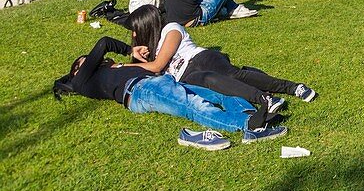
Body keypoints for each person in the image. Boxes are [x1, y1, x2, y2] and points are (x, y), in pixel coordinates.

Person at [53, 35, 286, 149]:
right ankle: (248, 127)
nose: (97, 60)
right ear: (76, 70)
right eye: (87, 60)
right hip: (142, 91)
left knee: (218, 91)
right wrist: (128, 49)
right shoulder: (82, 81)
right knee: (193, 105)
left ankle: (250, 114)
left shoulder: (111, 69)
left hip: (158, 81)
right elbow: (104, 42)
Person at [128, 5, 315, 120]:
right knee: (214, 83)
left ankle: (292, 87)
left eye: (136, 30)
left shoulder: (171, 29)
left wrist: (123, 66)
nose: (134, 34)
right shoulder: (147, 50)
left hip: (201, 58)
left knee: (233, 75)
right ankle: (265, 98)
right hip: (187, 76)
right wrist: (136, 56)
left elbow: (157, 67)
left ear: (147, 26)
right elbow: (151, 74)